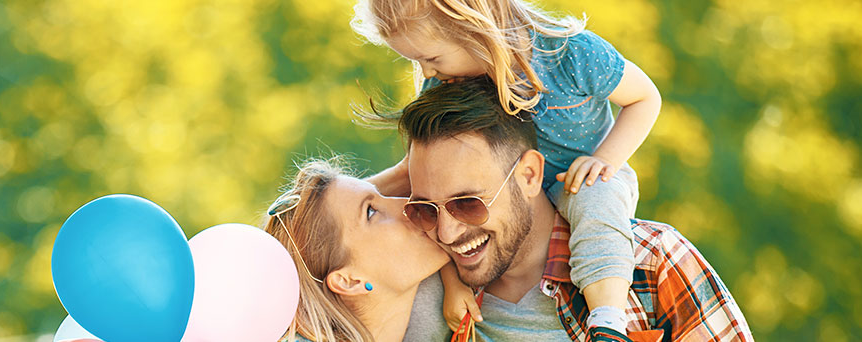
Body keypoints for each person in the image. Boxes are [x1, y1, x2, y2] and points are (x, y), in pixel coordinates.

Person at [353, 0, 664, 335]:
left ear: (473, 27)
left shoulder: (572, 54)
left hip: (582, 178)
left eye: (431, 58)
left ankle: (608, 320)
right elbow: (432, 190)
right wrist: (453, 283)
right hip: (510, 208)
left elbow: (645, 98)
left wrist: (604, 160)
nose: (427, 72)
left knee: (595, 200)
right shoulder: (451, 81)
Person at [395, 77, 751, 341]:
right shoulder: (422, 297)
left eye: (467, 203)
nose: (445, 232)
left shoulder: (654, 263)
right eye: (425, 210)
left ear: (530, 175)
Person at [259, 157, 450, 341]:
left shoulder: (462, 292)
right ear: (349, 281)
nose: (407, 202)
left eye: (384, 194)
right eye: (370, 212)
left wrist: (403, 172)